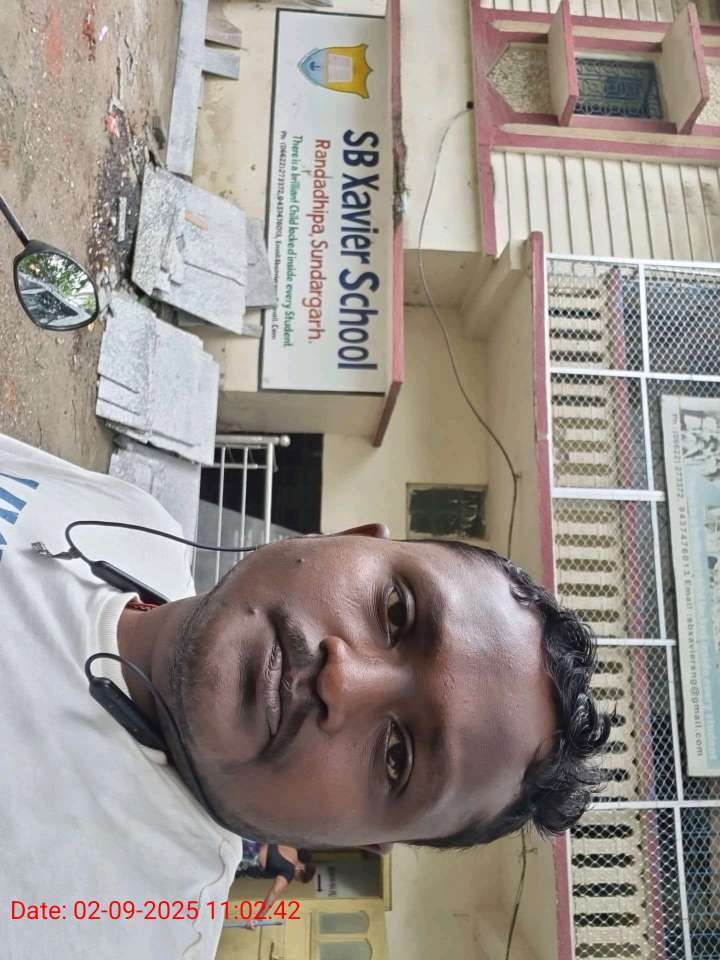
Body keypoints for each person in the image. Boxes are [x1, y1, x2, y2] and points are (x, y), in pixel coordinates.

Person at [1, 434, 610, 958]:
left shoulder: (106, 934)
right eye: (396, 611)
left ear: (355, 841)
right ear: (348, 538)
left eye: (397, 758)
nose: (341, 681)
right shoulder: (131, 521)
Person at [236, 843, 316, 919]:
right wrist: (258, 918)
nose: (294, 879)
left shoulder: (293, 850)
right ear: (301, 868)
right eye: (297, 878)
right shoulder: (289, 871)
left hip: (249, 844)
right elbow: (274, 892)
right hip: (245, 860)